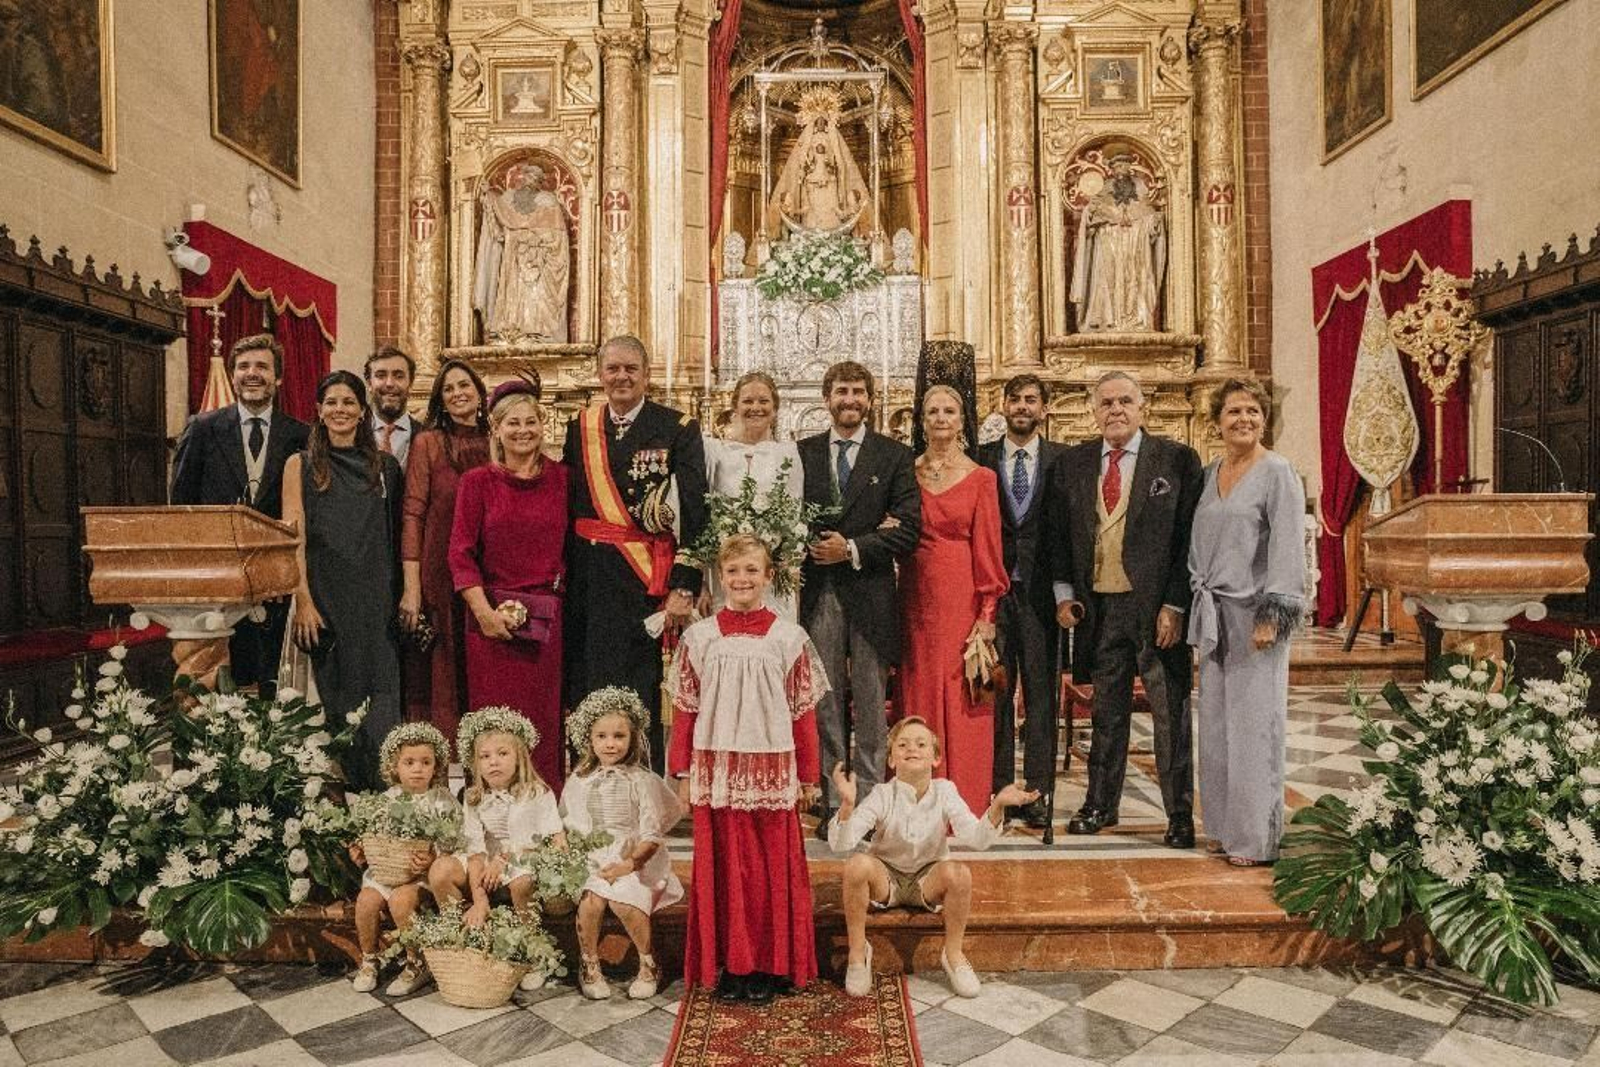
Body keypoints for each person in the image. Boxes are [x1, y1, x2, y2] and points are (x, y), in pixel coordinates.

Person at [667, 535, 826, 1004]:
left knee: (767, 869)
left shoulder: (788, 637)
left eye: (751, 571)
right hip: (716, 768)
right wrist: (681, 772)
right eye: (733, 571)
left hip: (772, 768)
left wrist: (809, 777)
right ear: (720, 575)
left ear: (768, 576)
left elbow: (803, 714)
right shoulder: (700, 638)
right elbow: (685, 710)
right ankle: (731, 966)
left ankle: (771, 966)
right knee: (725, 867)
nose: (742, 580)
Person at [1048, 370, 1202, 848]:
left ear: (1143, 408)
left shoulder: (1176, 459)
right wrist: (1064, 595)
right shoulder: (1072, 464)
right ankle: (1100, 804)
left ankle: (1179, 814)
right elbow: (1058, 538)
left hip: (1156, 608)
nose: (1116, 410)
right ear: (1093, 412)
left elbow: (1188, 541)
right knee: (1106, 713)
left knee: (1168, 714)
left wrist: (1175, 603)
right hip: (1099, 607)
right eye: (1106, 403)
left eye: (1125, 402)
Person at [564, 336, 709, 771]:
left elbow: (697, 509)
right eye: (613, 369)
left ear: (646, 374)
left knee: (643, 686)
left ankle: (642, 785)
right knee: (590, 682)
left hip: (648, 579)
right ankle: (590, 782)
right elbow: (570, 502)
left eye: (631, 368)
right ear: (600, 374)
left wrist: (685, 584)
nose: (621, 377)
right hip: (590, 579)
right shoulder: (581, 427)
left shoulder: (678, 427)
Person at [828, 717, 1036, 998]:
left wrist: (998, 805)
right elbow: (843, 844)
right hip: (885, 878)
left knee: (959, 873)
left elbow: (976, 838)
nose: (911, 748)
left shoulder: (945, 791)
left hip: (928, 878)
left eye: (921, 744)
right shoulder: (882, 793)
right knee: (856, 865)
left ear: (935, 758)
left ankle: (953, 954)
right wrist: (848, 806)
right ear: (891, 760)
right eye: (902, 745)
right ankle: (857, 953)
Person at [799, 361, 921, 832]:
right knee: (824, 698)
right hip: (820, 589)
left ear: (870, 400)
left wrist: (850, 547)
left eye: (857, 392)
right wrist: (814, 545)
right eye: (841, 391)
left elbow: (909, 529)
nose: (849, 400)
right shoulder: (804, 453)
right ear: (827, 397)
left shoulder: (893, 455)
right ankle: (834, 797)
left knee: (870, 702)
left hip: (869, 590)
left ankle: (870, 798)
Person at [1188, 378, 1305, 866]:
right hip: (1214, 615)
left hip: (1255, 616)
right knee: (1216, 726)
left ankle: (1256, 839)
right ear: (1217, 421)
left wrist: (1273, 614)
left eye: (1253, 412)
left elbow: (1286, 546)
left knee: (1255, 727)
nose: (1244, 420)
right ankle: (1221, 826)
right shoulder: (1213, 470)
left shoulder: (1277, 471)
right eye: (1234, 412)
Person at [282, 370, 404, 788]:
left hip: (374, 600)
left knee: (379, 696)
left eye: (348, 402)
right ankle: (341, 790)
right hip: (324, 597)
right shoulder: (299, 465)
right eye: (331, 402)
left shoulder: (385, 467)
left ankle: (381, 788)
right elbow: (292, 539)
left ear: (361, 410)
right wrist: (303, 600)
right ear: (318, 410)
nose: (340, 410)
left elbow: (396, 538)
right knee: (334, 696)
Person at [170, 333, 310, 692]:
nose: (252, 373)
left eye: (262, 366)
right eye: (244, 366)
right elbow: (181, 504)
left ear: (278, 378)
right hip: (216, 578)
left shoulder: (300, 435)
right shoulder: (202, 428)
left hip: (274, 582)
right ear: (232, 375)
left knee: (269, 680)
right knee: (216, 682)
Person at [450, 380, 569, 790]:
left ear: (542, 425)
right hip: (489, 625)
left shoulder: (562, 479)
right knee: (494, 724)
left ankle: (543, 820)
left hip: (545, 624)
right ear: (496, 429)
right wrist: (483, 613)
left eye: (531, 421)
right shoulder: (477, 483)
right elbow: (460, 554)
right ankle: (489, 816)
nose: (523, 430)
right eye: (513, 423)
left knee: (543, 723)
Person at [897, 385, 1009, 815]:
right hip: (914, 595)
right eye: (932, 411)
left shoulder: (982, 478)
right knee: (919, 687)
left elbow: (988, 548)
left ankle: (962, 800)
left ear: (963, 421)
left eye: (949, 411)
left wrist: (987, 612)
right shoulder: (907, 473)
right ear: (921, 421)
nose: (941, 418)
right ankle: (915, 795)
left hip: (961, 594)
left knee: (962, 694)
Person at [978, 375, 1066, 828]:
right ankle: (997, 789)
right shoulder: (981, 460)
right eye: (1015, 399)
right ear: (1004, 405)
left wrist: (1067, 592)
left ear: (1044, 409)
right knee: (995, 693)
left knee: (1039, 696)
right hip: (993, 595)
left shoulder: (1063, 462)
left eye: (1032, 400)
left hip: (1040, 596)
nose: (1022, 406)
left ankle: (1036, 794)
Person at [428, 706, 567, 991]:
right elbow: (475, 850)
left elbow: (553, 841)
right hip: (487, 867)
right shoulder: (474, 797)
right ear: (475, 763)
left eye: (503, 754)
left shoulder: (537, 793)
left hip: (525, 861)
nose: (494, 762)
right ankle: (465, 939)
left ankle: (534, 951)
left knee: (522, 880)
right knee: (441, 870)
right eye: (485, 756)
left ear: (519, 757)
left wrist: (505, 859)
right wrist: (479, 899)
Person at [561, 686, 684, 1001]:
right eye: (602, 736)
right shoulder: (580, 780)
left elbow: (652, 833)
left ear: (632, 739)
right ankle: (589, 963)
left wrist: (628, 864)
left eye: (619, 736)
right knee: (591, 903)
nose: (610, 743)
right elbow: (570, 824)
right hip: (592, 856)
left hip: (633, 858)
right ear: (590, 738)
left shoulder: (641, 780)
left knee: (624, 902)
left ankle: (648, 962)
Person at [401, 359, 491, 738]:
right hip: (438, 567)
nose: (458, 393)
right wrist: (411, 587)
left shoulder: (497, 440)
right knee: (442, 664)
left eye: (464, 385)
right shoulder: (429, 443)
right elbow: (413, 513)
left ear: (479, 393)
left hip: (488, 566)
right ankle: (444, 754)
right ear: (440, 398)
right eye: (449, 388)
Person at [348, 722, 461, 996]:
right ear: (394, 767)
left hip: (419, 876)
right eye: (409, 762)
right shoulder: (387, 799)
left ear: (437, 766)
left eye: (426, 762)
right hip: (386, 871)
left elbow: (454, 841)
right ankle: (369, 959)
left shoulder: (442, 801)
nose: (417, 769)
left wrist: (432, 856)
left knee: (400, 901)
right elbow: (373, 834)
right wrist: (361, 848)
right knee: (366, 901)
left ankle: (416, 961)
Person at [703, 371, 804, 618]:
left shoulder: (790, 454)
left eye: (763, 401)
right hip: (725, 572)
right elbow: (703, 513)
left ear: (775, 408)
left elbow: (796, 512)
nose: (755, 408)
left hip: (772, 573)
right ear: (735, 406)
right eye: (747, 401)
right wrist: (702, 580)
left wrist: (788, 561)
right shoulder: (715, 451)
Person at [473, 162, 572, 343]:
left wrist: (539, 241)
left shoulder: (548, 201)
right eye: (525, 177)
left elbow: (558, 236)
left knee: (539, 297)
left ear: (539, 182)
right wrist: (488, 194)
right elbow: (499, 215)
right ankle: (511, 331)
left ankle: (540, 333)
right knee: (513, 295)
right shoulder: (510, 199)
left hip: (539, 261)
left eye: (533, 178)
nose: (527, 181)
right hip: (514, 258)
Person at [1069, 155, 1166, 332]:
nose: (1121, 168)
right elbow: (1091, 219)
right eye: (1117, 165)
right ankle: (1108, 318)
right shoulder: (1103, 190)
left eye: (1124, 165)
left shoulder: (1140, 188)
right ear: (1111, 169)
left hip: (1135, 244)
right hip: (1109, 241)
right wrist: (1097, 216)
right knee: (1108, 278)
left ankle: (1137, 319)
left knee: (1136, 279)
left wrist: (1153, 221)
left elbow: (1148, 213)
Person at [365, 346, 417, 467]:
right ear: (369, 384)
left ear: (411, 383)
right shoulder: (354, 433)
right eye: (381, 376)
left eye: (399, 376)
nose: (389, 383)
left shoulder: (427, 436)